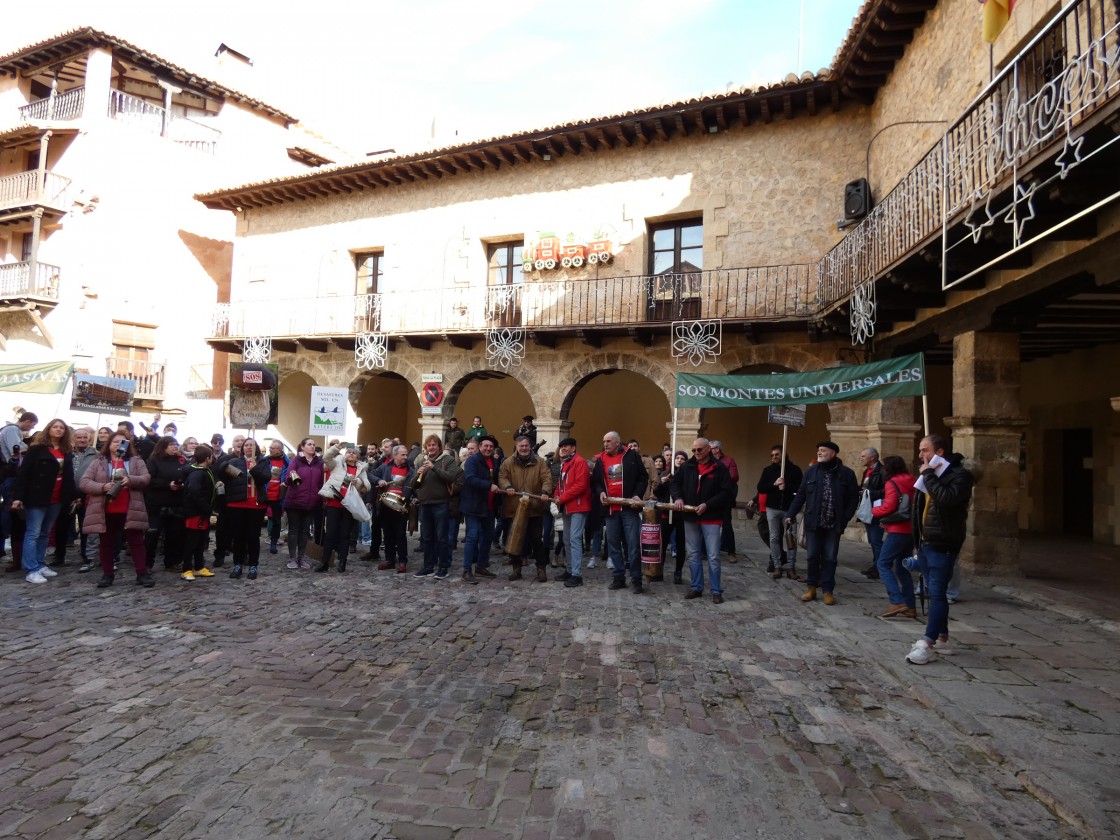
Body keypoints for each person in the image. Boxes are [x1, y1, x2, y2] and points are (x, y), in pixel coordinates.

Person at [906, 435, 974, 665]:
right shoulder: (931, 476)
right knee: (931, 591)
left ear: (940, 452)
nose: (920, 455)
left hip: (943, 542)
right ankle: (943, 638)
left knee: (937, 593)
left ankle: (928, 642)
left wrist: (928, 475)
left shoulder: (959, 476)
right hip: (926, 541)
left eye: (924, 450)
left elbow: (946, 499)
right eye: (920, 450)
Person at [785, 441, 860, 606]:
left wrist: (846, 517)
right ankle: (811, 587)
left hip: (834, 524)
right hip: (814, 523)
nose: (819, 452)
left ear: (833, 453)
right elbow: (801, 495)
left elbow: (854, 497)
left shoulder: (846, 474)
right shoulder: (811, 472)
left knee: (830, 558)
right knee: (812, 556)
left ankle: (827, 590)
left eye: (823, 450)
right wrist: (790, 513)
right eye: (818, 450)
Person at [81, 431, 154, 589]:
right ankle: (107, 574)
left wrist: (131, 480)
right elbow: (85, 482)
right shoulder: (98, 462)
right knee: (106, 543)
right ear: (109, 444)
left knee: (136, 542)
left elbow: (146, 478)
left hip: (129, 508)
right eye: (115, 442)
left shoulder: (135, 461)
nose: (118, 445)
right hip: (106, 509)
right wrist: (102, 487)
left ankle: (141, 573)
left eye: (122, 442)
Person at [10, 418, 76, 584]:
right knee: (33, 532)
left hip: (56, 497)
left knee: (45, 533)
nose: (59, 430)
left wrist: (73, 496)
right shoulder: (37, 450)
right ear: (49, 429)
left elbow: (69, 476)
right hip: (37, 496)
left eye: (62, 427)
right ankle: (31, 569)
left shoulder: (66, 451)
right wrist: (17, 496)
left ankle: (40, 564)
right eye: (55, 427)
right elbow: (24, 473)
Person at [671, 437, 734, 604]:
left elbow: (726, 492)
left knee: (713, 556)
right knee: (693, 554)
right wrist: (678, 498)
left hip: (711, 517)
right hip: (691, 516)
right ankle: (696, 586)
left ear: (708, 449)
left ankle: (715, 590)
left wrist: (708, 504)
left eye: (699, 450)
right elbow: (674, 484)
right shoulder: (687, 467)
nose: (696, 453)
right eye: (694, 450)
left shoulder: (719, 468)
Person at [591, 431, 647, 594]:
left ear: (617, 442)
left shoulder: (631, 456)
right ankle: (619, 578)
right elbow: (595, 482)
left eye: (608, 441)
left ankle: (636, 579)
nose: (605, 444)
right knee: (613, 544)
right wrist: (601, 491)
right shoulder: (600, 459)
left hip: (629, 508)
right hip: (610, 509)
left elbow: (643, 477)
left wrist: (637, 494)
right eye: (604, 441)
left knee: (633, 544)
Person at [498, 434, 552, 582]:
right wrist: (507, 486)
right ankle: (516, 569)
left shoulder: (540, 462)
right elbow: (502, 477)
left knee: (537, 540)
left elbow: (547, 479)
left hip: (534, 508)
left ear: (530, 447)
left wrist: (545, 492)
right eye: (521, 446)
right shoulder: (507, 462)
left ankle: (541, 568)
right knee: (515, 540)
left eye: (526, 445)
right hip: (513, 508)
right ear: (516, 446)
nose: (524, 448)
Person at [217, 438, 272, 580]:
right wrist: (223, 465)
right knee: (238, 536)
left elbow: (265, 478)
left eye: (251, 445)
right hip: (237, 503)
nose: (248, 447)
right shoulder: (235, 462)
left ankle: (253, 565)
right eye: (246, 445)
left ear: (257, 448)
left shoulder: (263, 462)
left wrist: (254, 470)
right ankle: (238, 564)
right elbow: (223, 476)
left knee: (253, 536)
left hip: (256, 504)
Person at [874, 455, 918, 619]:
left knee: (883, 563)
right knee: (902, 568)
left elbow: (889, 506)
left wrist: (874, 511)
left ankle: (897, 600)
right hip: (911, 528)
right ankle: (910, 606)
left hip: (898, 529)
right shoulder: (912, 480)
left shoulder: (892, 483)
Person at [411, 434, 461, 580]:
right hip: (425, 504)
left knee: (441, 537)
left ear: (439, 446)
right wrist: (419, 474)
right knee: (427, 538)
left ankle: (443, 567)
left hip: (441, 503)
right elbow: (414, 484)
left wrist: (433, 468)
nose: (431, 447)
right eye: (429, 445)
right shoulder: (422, 462)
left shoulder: (447, 460)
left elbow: (451, 477)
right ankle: (428, 566)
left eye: (434, 445)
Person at [317, 443, 371, 574]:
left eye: (354, 453)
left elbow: (367, 486)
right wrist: (337, 448)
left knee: (345, 535)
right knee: (330, 534)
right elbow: (326, 457)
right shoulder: (337, 463)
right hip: (334, 503)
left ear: (357, 457)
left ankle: (342, 562)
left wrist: (357, 482)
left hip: (349, 506)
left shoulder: (361, 469)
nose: (351, 454)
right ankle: (325, 562)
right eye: (348, 452)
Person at [756, 444, 803, 580]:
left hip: (789, 509)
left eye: (777, 454)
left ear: (783, 455)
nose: (774, 457)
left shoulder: (794, 470)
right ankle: (777, 565)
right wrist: (774, 485)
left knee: (791, 539)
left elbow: (800, 489)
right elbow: (761, 488)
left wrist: (786, 486)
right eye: (772, 455)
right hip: (772, 508)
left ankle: (791, 567)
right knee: (774, 538)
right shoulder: (768, 471)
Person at [459, 435, 500, 584]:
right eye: (485, 446)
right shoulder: (472, 460)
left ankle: (481, 566)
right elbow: (469, 479)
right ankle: (467, 570)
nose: (488, 448)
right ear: (480, 446)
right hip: (473, 506)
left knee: (488, 536)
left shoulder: (494, 462)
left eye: (491, 446)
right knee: (472, 537)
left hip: (488, 506)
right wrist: (489, 486)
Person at [144, 435, 186, 572]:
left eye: (176, 444)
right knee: (152, 535)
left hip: (176, 504)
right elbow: (149, 480)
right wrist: (167, 484)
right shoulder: (153, 461)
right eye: (171, 444)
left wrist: (181, 484)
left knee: (174, 535)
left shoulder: (181, 461)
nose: (175, 446)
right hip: (157, 505)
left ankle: (172, 562)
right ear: (163, 447)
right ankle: (146, 563)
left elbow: (187, 474)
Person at [1, 411, 37, 571]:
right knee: (12, 515)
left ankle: (18, 558)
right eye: (32, 425)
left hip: (14, 476)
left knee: (17, 518)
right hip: (12, 475)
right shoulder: (11, 430)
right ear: (28, 421)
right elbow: (17, 451)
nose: (30, 428)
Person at [553, 437, 591, 588]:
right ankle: (569, 570)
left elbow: (580, 485)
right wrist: (557, 494)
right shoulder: (565, 463)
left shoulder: (579, 462)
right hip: (568, 506)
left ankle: (576, 574)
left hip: (578, 507)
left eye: (566, 446)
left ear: (573, 448)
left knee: (574, 540)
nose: (563, 448)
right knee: (567, 540)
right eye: (561, 446)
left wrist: (561, 498)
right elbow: (560, 484)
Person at [371, 445, 415, 573]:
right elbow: (370, 475)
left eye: (406, 455)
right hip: (385, 505)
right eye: (403, 455)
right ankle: (389, 559)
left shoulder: (411, 471)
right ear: (395, 455)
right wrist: (379, 480)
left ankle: (402, 561)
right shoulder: (385, 467)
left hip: (401, 506)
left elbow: (415, 486)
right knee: (388, 534)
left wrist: (414, 497)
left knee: (400, 535)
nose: (405, 457)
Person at [283, 437, 324, 570]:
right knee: (294, 530)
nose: (312, 447)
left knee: (305, 531)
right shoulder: (296, 461)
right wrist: (291, 476)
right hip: (295, 501)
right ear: (302, 447)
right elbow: (287, 479)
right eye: (309, 444)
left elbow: (321, 483)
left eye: (313, 445)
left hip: (312, 502)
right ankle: (292, 558)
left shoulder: (319, 463)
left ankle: (301, 558)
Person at [180, 444, 217, 581]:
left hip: (202, 513)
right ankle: (187, 569)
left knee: (201, 541)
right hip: (195, 513)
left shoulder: (206, 470)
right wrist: (207, 508)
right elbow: (195, 493)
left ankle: (199, 566)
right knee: (192, 542)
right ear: (208, 458)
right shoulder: (196, 473)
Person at [69, 427, 99, 571]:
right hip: (66, 494)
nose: (81, 440)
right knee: (63, 525)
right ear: (73, 439)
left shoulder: (95, 455)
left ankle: (86, 555)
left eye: (84, 438)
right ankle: (59, 554)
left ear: (89, 439)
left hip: (85, 494)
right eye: (78, 437)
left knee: (84, 526)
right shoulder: (67, 453)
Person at [710, 440, 740, 562]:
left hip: (724, 497)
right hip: (710, 497)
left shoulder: (729, 460)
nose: (708, 450)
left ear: (717, 449)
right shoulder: (708, 461)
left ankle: (731, 552)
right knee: (708, 524)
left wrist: (717, 478)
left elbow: (734, 476)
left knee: (727, 525)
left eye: (710, 448)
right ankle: (704, 551)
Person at [858, 447, 886, 580]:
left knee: (876, 540)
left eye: (863, 456)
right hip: (868, 508)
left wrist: (869, 493)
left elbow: (887, 491)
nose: (861, 458)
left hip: (877, 509)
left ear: (873, 457)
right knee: (872, 540)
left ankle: (880, 567)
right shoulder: (867, 471)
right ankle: (876, 565)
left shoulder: (882, 471)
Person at [263, 440, 290, 554]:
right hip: (264, 495)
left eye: (272, 448)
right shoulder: (265, 460)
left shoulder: (286, 462)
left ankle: (273, 543)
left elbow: (292, 468)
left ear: (280, 450)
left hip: (278, 497)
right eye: (270, 447)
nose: (270, 449)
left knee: (276, 521)